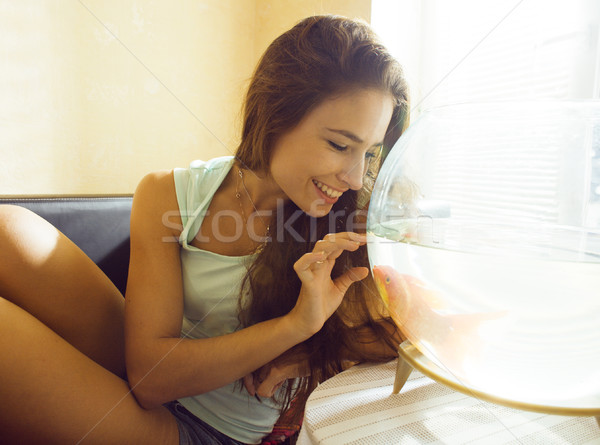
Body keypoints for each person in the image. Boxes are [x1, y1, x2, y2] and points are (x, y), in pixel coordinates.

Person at [0, 14, 409, 445]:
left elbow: (423, 334)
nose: (356, 178)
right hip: (155, 378)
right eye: (341, 146)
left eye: (369, 154)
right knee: (7, 229)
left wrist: (300, 343)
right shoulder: (168, 195)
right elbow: (150, 375)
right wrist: (292, 331)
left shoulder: (355, 221)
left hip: (207, 431)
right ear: (275, 114)